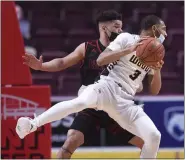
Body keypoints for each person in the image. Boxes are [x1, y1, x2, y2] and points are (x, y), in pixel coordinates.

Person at [16, 15, 167, 158]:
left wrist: (158, 70)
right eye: (163, 29)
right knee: (80, 103)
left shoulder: (154, 54)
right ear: (154, 29)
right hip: (107, 87)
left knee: (154, 136)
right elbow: (101, 60)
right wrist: (129, 50)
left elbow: (154, 91)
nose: (165, 34)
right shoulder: (127, 38)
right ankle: (31, 124)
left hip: (125, 102)